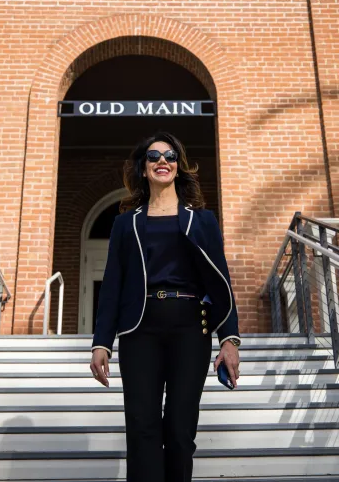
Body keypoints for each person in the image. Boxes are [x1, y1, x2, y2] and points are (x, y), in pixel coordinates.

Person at [90, 131, 241, 482]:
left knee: (179, 429)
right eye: (154, 156)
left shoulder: (202, 220)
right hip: (138, 331)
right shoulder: (125, 224)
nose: (163, 161)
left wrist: (229, 339)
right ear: (144, 169)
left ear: (178, 166)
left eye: (170, 156)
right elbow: (112, 285)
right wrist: (101, 343)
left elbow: (221, 281)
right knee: (142, 428)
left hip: (191, 328)